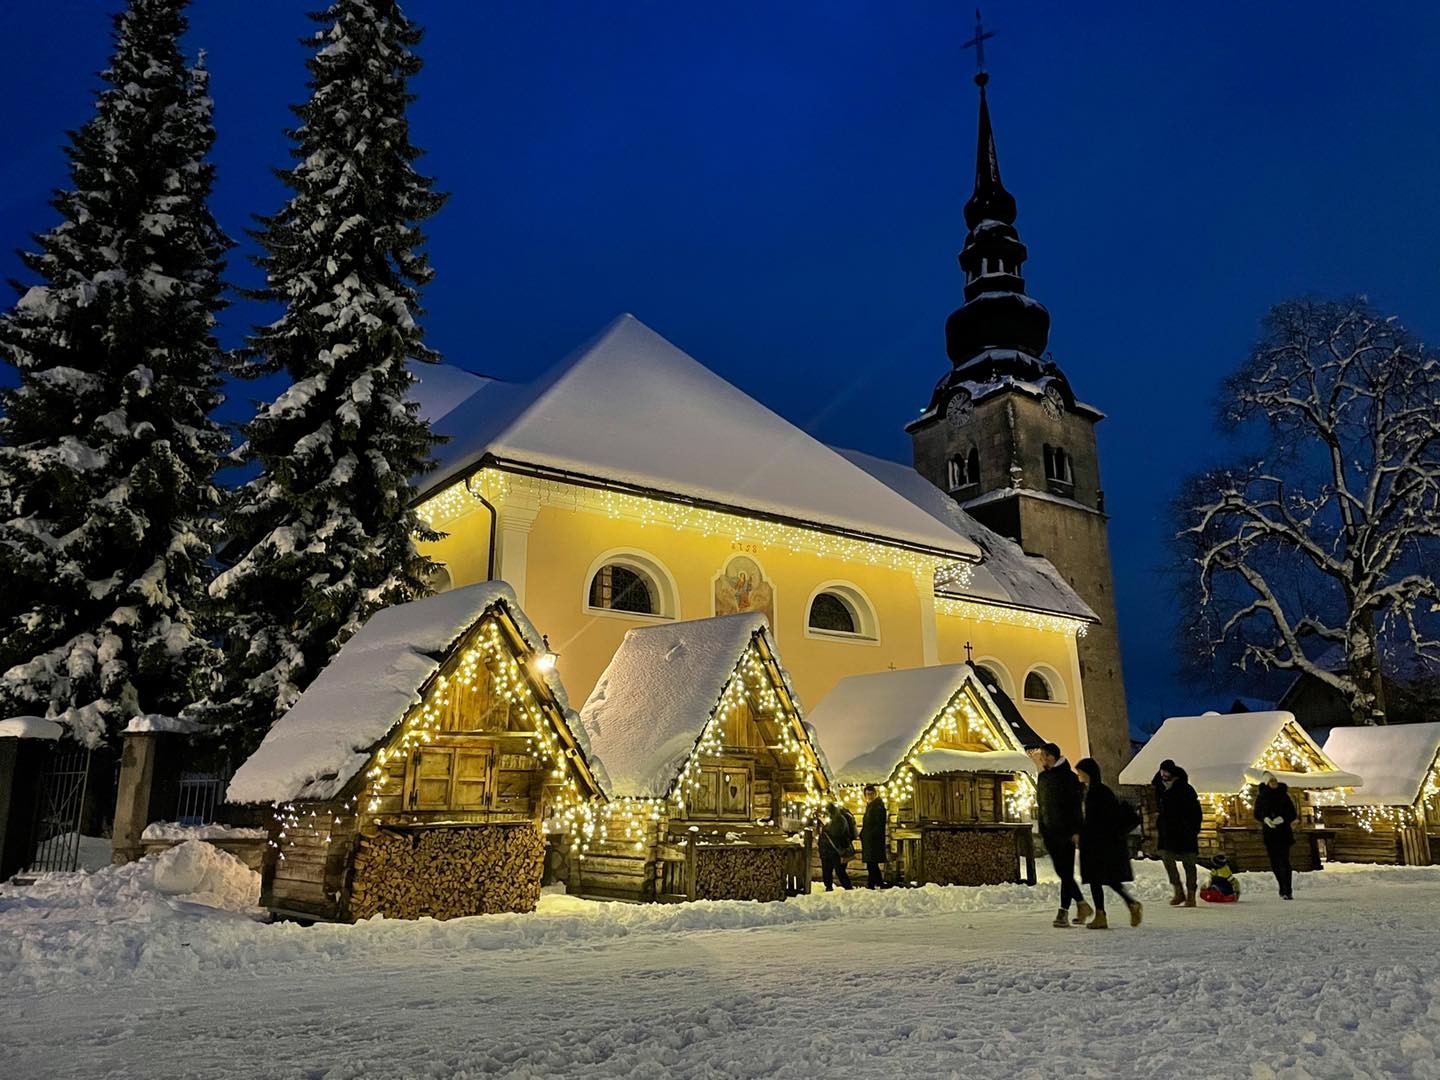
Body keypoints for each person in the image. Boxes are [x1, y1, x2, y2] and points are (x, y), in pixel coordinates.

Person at [1075, 757, 1143, 929]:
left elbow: (1100, 819)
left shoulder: (1098, 792)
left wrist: (1086, 833)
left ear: (1089, 773)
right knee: (1105, 879)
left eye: (1081, 772)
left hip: (1100, 844)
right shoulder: (1092, 791)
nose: (1079, 775)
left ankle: (1102, 914)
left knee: (1097, 878)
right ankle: (1127, 905)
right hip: (1099, 843)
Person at [1035, 741, 1091, 928]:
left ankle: (1064, 911)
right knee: (1063, 872)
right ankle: (1081, 905)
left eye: (1043, 756)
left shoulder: (1069, 778)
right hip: (1049, 831)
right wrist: (1042, 827)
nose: (1041, 759)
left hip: (1066, 831)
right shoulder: (1043, 778)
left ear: (1051, 757)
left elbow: (1075, 807)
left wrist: (1076, 830)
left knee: (1065, 871)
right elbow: (1041, 805)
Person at [1152, 758, 1202, 907]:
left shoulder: (1185, 789)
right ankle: (1178, 891)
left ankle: (1191, 895)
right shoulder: (1159, 789)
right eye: (1162, 771)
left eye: (1166, 771)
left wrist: (1193, 828)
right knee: (1167, 858)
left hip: (1185, 831)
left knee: (1189, 862)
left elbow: (1195, 810)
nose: (1163, 774)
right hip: (1167, 832)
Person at [1253, 771, 1297, 899]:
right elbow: (1257, 813)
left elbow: (1292, 813)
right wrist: (1265, 819)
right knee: (1275, 862)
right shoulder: (1262, 797)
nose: (1274, 783)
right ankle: (1281, 886)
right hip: (1270, 834)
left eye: (1275, 781)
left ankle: (1287, 889)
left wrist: (1283, 819)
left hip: (1283, 833)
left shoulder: (1284, 795)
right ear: (1267, 783)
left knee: (1285, 861)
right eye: (1271, 781)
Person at [818, 800, 856, 891]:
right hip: (826, 850)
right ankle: (828, 887)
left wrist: (826, 825)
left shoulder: (840, 819)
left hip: (837, 850)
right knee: (827, 871)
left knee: (840, 871)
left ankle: (848, 888)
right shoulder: (831, 819)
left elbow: (836, 832)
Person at [860, 784, 888, 889]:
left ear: (875, 794)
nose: (869, 796)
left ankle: (871, 884)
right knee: (871, 863)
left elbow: (878, 824)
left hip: (873, 841)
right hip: (869, 840)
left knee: (872, 863)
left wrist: (869, 835)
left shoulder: (877, 807)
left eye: (871, 794)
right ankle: (878, 883)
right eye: (867, 794)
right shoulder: (871, 806)